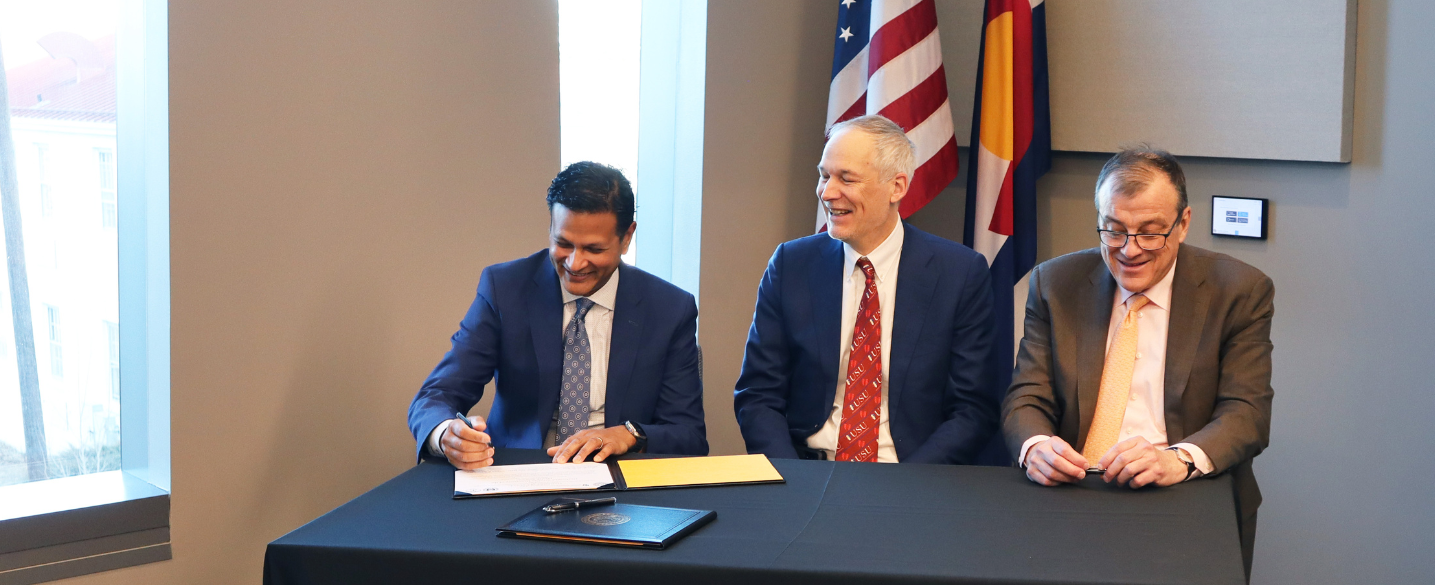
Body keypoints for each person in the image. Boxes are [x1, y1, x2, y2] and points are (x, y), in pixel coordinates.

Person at [1001, 147, 1273, 574]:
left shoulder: (1238, 291)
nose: (1129, 251)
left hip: (1183, 494)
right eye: (1113, 230)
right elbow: (1026, 397)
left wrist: (1178, 458)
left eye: (1150, 233)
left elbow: (1247, 414)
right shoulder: (1056, 283)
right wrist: (1036, 445)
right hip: (1074, 493)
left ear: (1182, 224)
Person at [731, 115, 996, 464]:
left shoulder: (959, 274)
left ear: (897, 187)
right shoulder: (791, 265)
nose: (827, 192)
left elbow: (973, 409)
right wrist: (789, 480)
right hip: (806, 472)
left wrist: (909, 488)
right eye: (824, 175)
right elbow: (758, 395)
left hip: (912, 478)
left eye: (846, 178)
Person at [407, 161, 707, 470]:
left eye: (593, 249)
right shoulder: (506, 289)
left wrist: (629, 435)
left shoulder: (670, 308)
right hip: (517, 475)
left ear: (627, 237)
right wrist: (446, 436)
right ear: (550, 227)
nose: (576, 264)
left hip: (621, 479)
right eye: (563, 244)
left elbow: (688, 435)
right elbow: (436, 395)